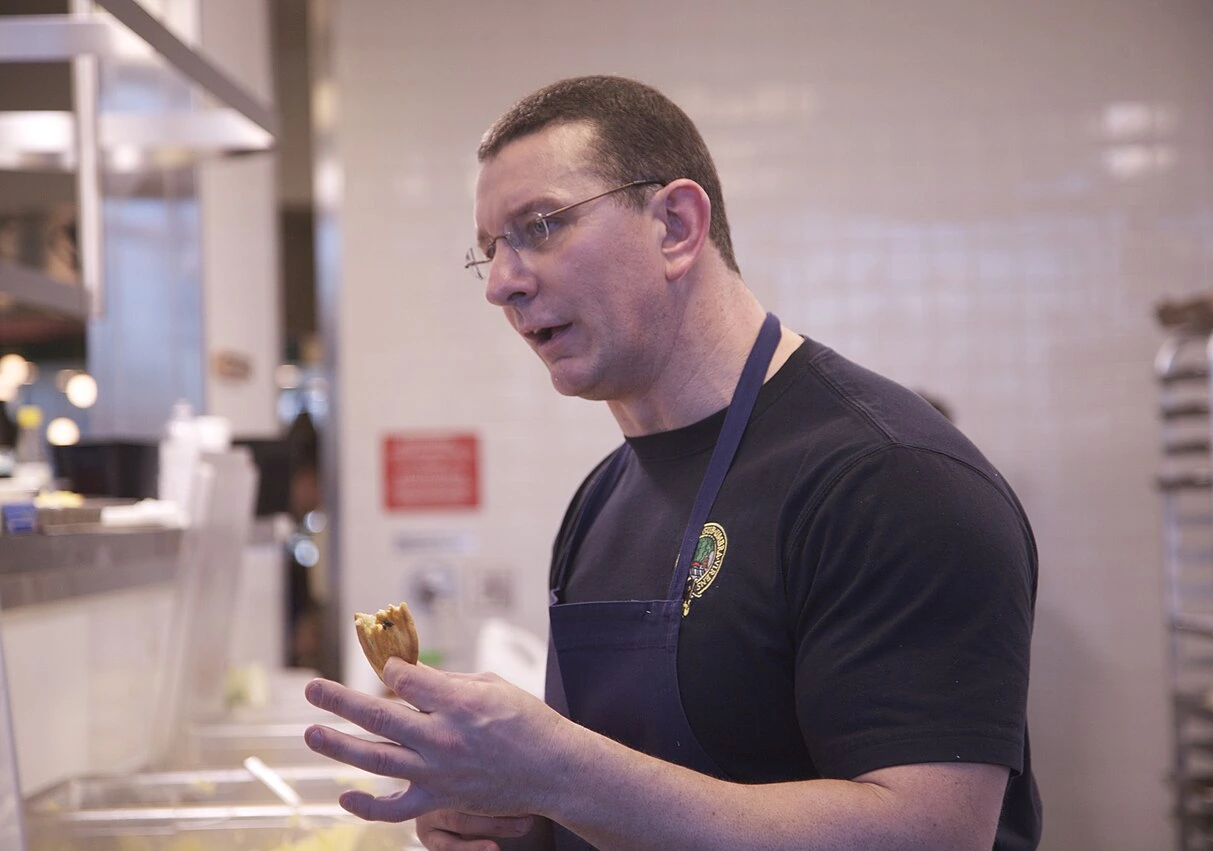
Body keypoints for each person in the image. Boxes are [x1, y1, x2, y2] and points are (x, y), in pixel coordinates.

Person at [302, 75, 1041, 850]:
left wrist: (557, 773)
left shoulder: (889, 479)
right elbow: (627, 804)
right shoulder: (602, 499)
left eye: (541, 225)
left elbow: (931, 834)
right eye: (488, 251)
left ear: (676, 225)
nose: (501, 284)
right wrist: (516, 820)